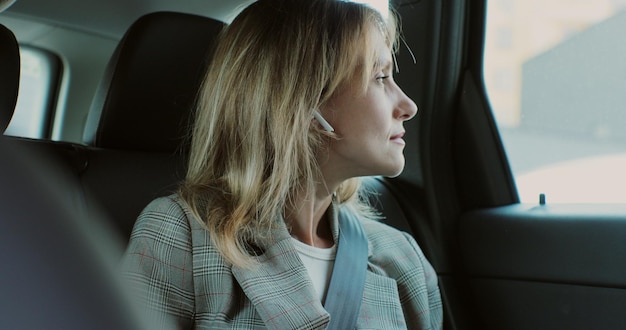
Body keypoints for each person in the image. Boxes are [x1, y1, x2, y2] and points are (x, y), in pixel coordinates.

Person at [120, 0, 443, 328]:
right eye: (380, 77)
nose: (408, 105)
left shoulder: (404, 258)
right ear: (304, 100)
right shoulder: (179, 236)